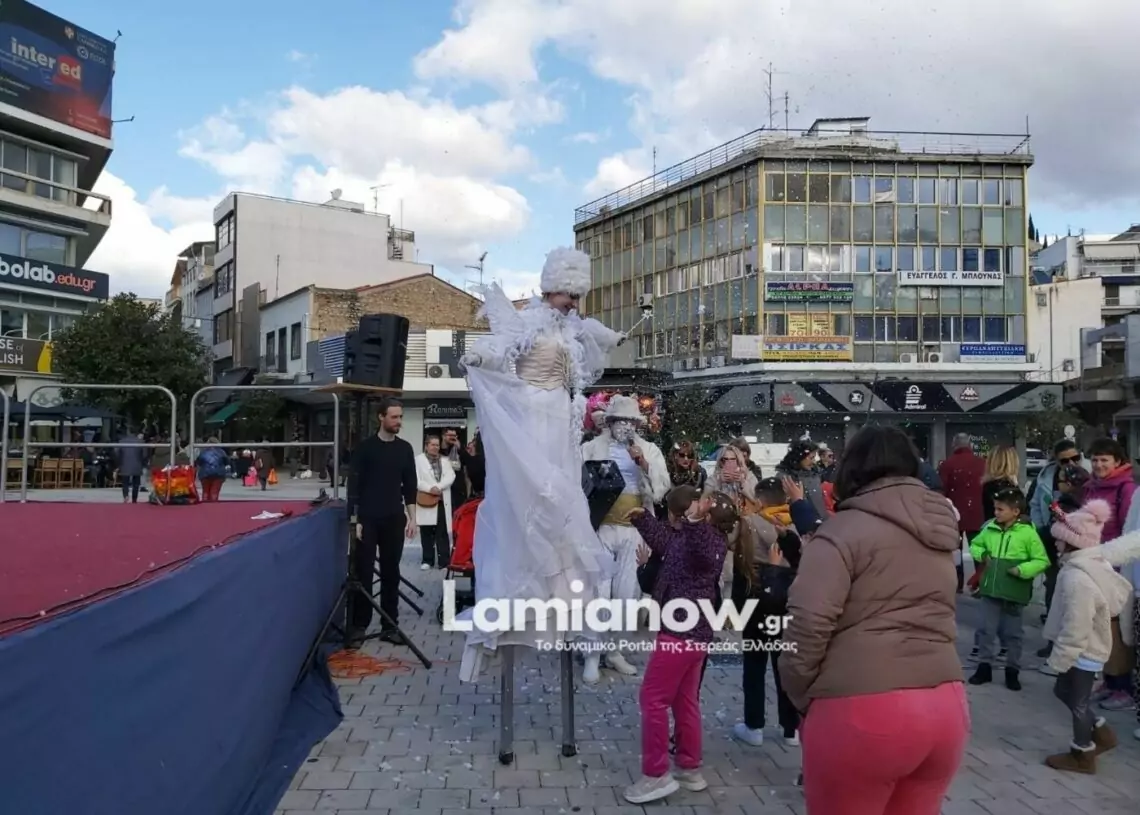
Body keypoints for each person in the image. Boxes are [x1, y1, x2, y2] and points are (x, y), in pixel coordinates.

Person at [779, 425, 968, 815]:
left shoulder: (840, 533)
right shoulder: (939, 527)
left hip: (864, 707)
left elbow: (807, 625)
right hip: (945, 703)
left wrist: (802, 695)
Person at [456, 246, 623, 681]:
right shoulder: (528, 321)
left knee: (562, 505)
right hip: (531, 414)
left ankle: (557, 595)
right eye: (569, 295)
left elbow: (596, 335)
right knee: (530, 497)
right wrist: (480, 357)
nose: (574, 304)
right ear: (551, 290)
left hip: (560, 422)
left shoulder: (573, 327)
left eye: (578, 297)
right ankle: (513, 599)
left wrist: (611, 337)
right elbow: (501, 347)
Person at [623, 492, 735, 805]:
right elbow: (667, 543)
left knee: (653, 699)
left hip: (680, 635)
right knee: (685, 702)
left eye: (702, 507)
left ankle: (656, 774)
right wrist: (643, 519)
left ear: (709, 518)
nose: (695, 507)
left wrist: (695, 521)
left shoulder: (709, 542)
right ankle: (689, 767)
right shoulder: (689, 540)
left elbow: (697, 544)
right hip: (694, 636)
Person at [579, 394, 670, 682]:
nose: (625, 426)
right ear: (610, 422)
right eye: (619, 420)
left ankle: (615, 649)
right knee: (598, 592)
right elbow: (576, 484)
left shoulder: (650, 450)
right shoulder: (591, 448)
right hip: (600, 528)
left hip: (635, 530)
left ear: (637, 424)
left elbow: (661, 490)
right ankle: (592, 653)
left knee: (627, 593)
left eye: (630, 421)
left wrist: (644, 464)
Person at [1042, 499, 1134, 773]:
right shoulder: (1088, 564)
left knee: (1078, 702)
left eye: (1060, 539)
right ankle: (1101, 731)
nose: (1056, 542)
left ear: (1073, 543)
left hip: (1083, 650)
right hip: (1084, 648)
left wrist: (1060, 658)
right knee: (1064, 691)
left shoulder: (1077, 578)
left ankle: (1083, 753)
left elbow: (1076, 625)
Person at [731, 477, 807, 749]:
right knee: (783, 664)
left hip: (755, 597)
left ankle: (754, 726)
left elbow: (728, 541)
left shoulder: (748, 523)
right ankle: (791, 728)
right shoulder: (796, 524)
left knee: (754, 663)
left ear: (760, 499)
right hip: (786, 598)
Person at [347, 398, 418, 648]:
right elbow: (354, 486)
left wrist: (413, 518)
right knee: (364, 572)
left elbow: (410, 486)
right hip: (367, 518)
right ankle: (359, 626)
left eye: (400, 417)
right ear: (381, 417)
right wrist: (355, 519)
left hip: (394, 517)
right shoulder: (365, 448)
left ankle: (389, 625)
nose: (398, 421)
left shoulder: (405, 449)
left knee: (391, 572)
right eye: (394, 417)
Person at [967, 487, 1050, 691]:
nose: (996, 513)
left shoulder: (1028, 534)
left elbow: (1041, 560)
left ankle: (1012, 670)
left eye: (1000, 509)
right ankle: (984, 667)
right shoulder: (990, 528)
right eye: (995, 508)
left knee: (1013, 634)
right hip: (990, 590)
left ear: (1015, 511)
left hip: (1014, 593)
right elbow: (975, 545)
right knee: (986, 630)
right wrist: (981, 554)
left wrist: (1022, 570)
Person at [1081, 437, 1138, 711]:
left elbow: (1130, 532)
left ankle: (1124, 686)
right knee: (1101, 629)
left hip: (1116, 568)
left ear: (1118, 462)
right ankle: (1109, 679)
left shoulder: (1126, 489)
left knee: (1118, 630)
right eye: (1095, 460)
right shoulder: (1090, 487)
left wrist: (1111, 558)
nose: (1099, 465)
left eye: (1105, 460)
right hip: (1093, 566)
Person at [939, 434, 987, 593]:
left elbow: (943, 489)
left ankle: (957, 583)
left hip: (954, 514)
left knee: (955, 551)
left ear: (954, 445)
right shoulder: (981, 463)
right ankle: (979, 582)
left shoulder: (947, 464)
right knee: (977, 549)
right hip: (976, 513)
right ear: (969, 445)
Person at [415, 435, 455, 571]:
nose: (435, 447)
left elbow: (451, 476)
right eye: (432, 445)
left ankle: (444, 561)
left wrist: (439, 487)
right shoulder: (418, 460)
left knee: (442, 532)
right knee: (426, 531)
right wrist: (429, 489)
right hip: (426, 498)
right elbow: (416, 479)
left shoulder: (445, 460)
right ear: (426, 446)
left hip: (441, 499)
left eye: (437, 445)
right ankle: (427, 560)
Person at [775, 439, 826, 519]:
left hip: (821, 522)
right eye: (811, 458)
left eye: (814, 458)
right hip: (797, 522)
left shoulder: (816, 475)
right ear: (799, 457)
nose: (814, 462)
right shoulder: (784, 478)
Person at [116, 428, 145, 504]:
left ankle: (125, 495)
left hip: (125, 464)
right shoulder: (141, 442)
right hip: (137, 464)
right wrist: (142, 462)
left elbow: (117, 453)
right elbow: (144, 455)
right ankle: (134, 499)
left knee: (125, 482)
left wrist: (119, 463)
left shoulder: (121, 441)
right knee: (136, 483)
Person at [196, 437, 229, 502]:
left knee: (205, 492)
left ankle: (204, 505)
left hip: (205, 473)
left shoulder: (203, 452)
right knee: (214, 492)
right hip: (219, 473)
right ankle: (213, 505)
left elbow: (199, 462)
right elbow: (227, 462)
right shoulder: (221, 452)